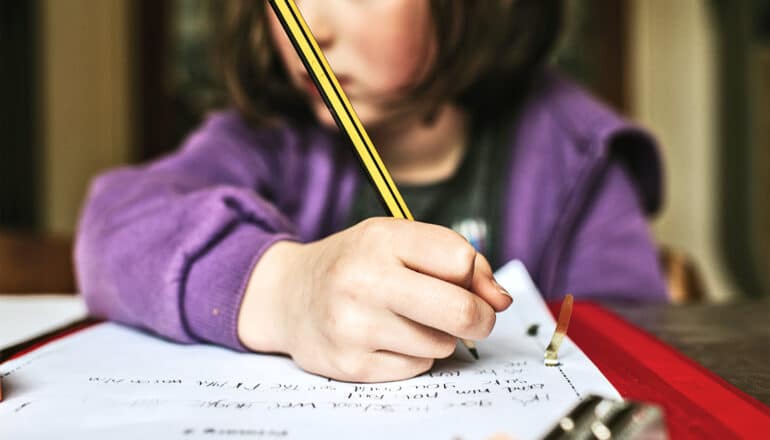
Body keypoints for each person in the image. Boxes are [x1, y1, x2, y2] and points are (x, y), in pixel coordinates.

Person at [75, 0, 667, 383]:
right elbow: (113, 227)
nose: (311, 27)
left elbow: (634, 359)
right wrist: (287, 292)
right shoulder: (265, 139)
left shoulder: (575, 155)